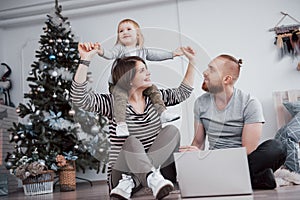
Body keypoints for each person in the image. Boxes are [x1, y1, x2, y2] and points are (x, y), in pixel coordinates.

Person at [71, 42, 196, 199]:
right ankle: (146, 178)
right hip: (121, 178)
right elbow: (79, 98)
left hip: (157, 178)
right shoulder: (112, 103)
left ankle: (144, 178)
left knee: (171, 131)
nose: (148, 74)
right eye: (142, 70)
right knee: (131, 142)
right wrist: (85, 59)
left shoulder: (155, 99)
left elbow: (182, 93)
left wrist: (192, 61)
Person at [180, 54, 287, 190]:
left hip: (240, 161)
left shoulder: (249, 103)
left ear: (226, 79)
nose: (205, 73)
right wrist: (192, 156)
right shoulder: (200, 103)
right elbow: (198, 143)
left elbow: (248, 149)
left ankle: (223, 179)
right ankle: (256, 179)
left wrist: (212, 161)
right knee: (175, 160)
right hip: (212, 162)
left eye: (211, 70)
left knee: (277, 147)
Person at [96, 18, 183, 136]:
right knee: (120, 97)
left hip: (137, 84)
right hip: (118, 84)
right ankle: (121, 124)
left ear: (137, 34)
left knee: (153, 90)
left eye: (128, 29)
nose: (124, 32)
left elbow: (156, 55)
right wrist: (101, 51)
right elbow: (110, 54)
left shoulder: (142, 51)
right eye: (121, 31)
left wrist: (172, 54)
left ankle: (162, 113)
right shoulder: (120, 49)